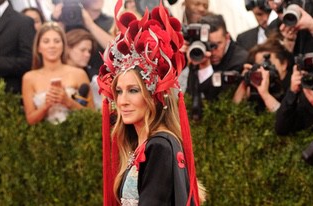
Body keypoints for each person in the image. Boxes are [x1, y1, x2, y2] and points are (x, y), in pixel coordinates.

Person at [97, 0, 203, 205]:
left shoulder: (159, 146)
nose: (122, 101)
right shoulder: (146, 144)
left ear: (155, 97)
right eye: (118, 91)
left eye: (133, 90)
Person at [22, 22, 94, 125]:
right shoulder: (29, 78)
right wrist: (46, 106)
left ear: (63, 46)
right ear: (38, 47)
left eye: (56, 41)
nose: (52, 46)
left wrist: (68, 102)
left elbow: (92, 115)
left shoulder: (79, 74)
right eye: (46, 41)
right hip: (44, 138)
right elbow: (30, 120)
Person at [185, 13, 249, 102]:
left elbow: (219, 103)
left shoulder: (240, 60)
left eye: (218, 44)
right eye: (208, 45)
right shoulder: (199, 52)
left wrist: (205, 67)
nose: (213, 51)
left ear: (227, 38)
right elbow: (189, 96)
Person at [233, 32, 293, 113]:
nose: (265, 71)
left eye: (269, 64)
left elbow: (284, 119)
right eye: (260, 66)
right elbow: (234, 112)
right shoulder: (256, 88)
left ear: (284, 64)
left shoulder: (294, 87)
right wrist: (245, 81)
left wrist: (265, 95)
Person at [65, 28, 102, 109]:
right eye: (82, 50)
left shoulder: (96, 79)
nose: (87, 54)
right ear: (68, 49)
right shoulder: (54, 71)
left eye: (89, 51)